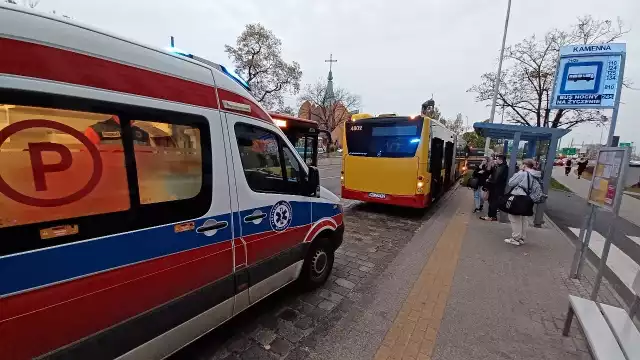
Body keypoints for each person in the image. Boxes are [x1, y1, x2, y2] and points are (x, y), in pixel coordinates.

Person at [504, 159, 542, 246]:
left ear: (525, 165)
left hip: (519, 198)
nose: (520, 166)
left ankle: (515, 238)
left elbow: (511, 183)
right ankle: (521, 238)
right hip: (528, 198)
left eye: (521, 164)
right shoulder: (535, 174)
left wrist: (519, 172)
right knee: (523, 219)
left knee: (514, 217)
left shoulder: (523, 174)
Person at [481, 154, 508, 221]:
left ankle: (492, 216)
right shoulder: (499, 167)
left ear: (501, 160)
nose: (496, 160)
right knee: (492, 201)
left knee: (493, 202)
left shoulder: (503, 168)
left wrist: (489, 181)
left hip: (496, 188)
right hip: (495, 188)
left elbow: (496, 178)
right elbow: (489, 172)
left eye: (497, 159)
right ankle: (491, 216)